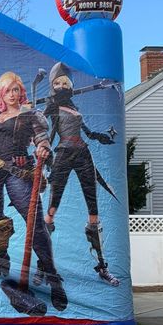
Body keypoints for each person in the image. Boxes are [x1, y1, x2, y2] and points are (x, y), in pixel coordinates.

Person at [0, 71, 67, 311]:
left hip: (19, 170)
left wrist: (43, 148)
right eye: (8, 90)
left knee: (35, 223)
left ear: (21, 92)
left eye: (16, 89)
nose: (12, 94)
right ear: (1, 93)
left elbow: (42, 138)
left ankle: (53, 278)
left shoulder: (31, 115)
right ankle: (1, 259)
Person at [41, 62, 119, 286]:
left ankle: (102, 266)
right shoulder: (53, 107)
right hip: (64, 154)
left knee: (93, 208)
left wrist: (101, 136)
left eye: (66, 83)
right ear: (52, 86)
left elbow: (87, 132)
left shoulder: (74, 108)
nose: (62, 86)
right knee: (52, 208)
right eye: (58, 83)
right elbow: (45, 131)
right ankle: (43, 265)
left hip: (83, 153)